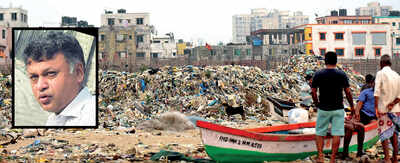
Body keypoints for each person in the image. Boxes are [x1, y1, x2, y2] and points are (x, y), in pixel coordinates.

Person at [23, 31, 96, 126]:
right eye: (34, 77)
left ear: (78, 73)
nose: (40, 86)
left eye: (50, 74)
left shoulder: (91, 116)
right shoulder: (54, 119)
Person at [311, 51, 354, 163]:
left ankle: (320, 156)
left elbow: (313, 91)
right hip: (338, 109)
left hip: (323, 108)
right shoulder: (341, 74)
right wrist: (352, 106)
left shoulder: (318, 74)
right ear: (336, 61)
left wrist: (317, 103)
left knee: (320, 133)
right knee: (337, 133)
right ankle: (333, 159)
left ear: (325, 61)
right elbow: (348, 92)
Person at [342, 76, 376, 160]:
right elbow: (359, 104)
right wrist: (356, 114)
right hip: (363, 114)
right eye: (376, 82)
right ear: (372, 83)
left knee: (361, 126)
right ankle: (346, 153)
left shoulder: (383, 94)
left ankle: (359, 152)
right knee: (353, 127)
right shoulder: (366, 92)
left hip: (373, 116)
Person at [374, 54, 400, 163]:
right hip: (396, 110)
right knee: (394, 133)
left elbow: (376, 92)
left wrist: (376, 107)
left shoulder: (380, 73)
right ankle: (394, 158)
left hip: (383, 110)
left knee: (384, 134)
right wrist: (392, 103)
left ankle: (387, 158)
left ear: (381, 63)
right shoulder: (397, 75)